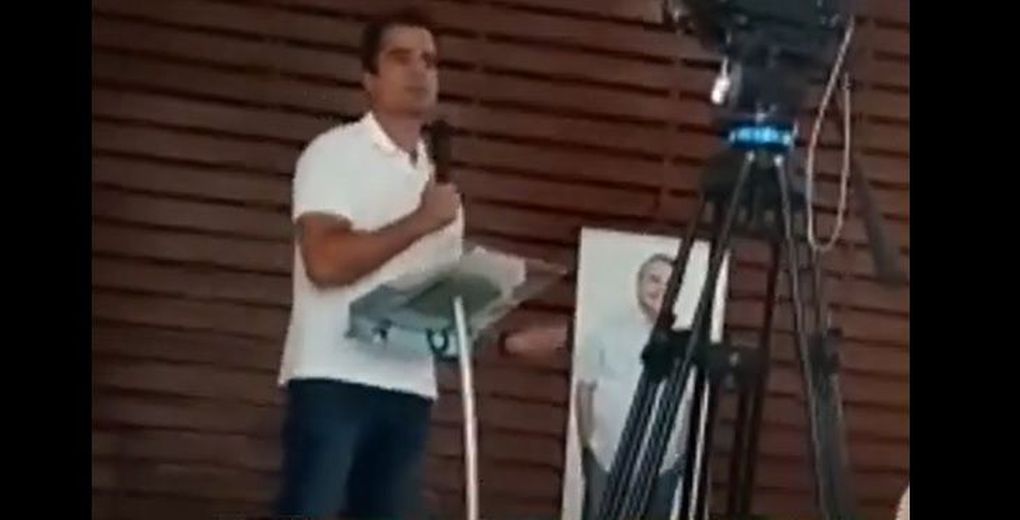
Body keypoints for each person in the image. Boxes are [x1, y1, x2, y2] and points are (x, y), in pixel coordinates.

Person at [273, 7, 463, 518]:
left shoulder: (438, 182)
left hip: (409, 383)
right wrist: (420, 222)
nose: (419, 71)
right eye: (401, 58)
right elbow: (325, 263)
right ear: (369, 78)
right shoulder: (334, 153)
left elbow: (437, 295)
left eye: (429, 60)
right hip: (335, 377)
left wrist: (504, 333)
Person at [574, 253, 694, 519]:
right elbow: (584, 389)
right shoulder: (604, 334)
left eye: (669, 284)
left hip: (663, 467)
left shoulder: (685, 342)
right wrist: (588, 446)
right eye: (654, 279)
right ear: (639, 282)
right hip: (606, 461)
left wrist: (679, 453)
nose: (660, 289)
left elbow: (688, 401)